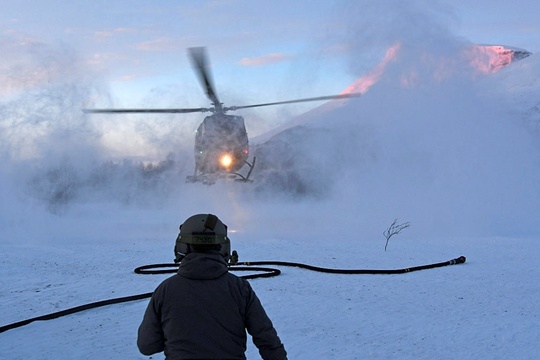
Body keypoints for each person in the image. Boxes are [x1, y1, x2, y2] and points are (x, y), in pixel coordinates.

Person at [137, 213, 287, 360]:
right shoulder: (240, 288)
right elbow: (267, 340)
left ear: (181, 247)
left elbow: (147, 346)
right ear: (224, 247)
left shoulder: (165, 290)